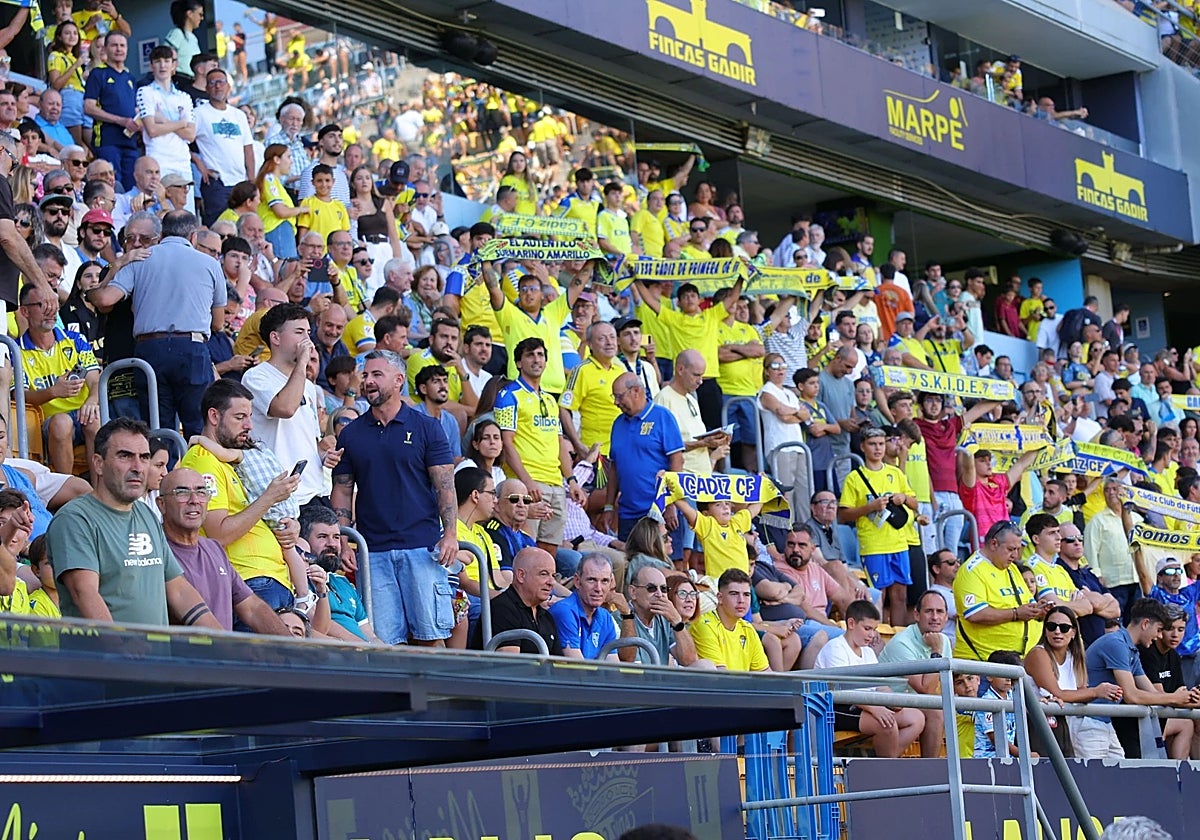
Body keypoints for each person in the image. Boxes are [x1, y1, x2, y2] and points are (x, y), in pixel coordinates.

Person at [331, 350, 459, 646]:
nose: (368, 381)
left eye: (377, 375)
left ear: (399, 380)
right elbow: (342, 489)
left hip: (422, 548)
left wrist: (450, 533)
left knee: (431, 639)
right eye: (365, 376)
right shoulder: (351, 434)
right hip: (372, 552)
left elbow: (445, 485)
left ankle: (432, 694)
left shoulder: (427, 427)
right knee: (386, 644)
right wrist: (344, 539)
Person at [46, 418, 221, 629]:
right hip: (103, 659)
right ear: (98, 464)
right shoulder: (75, 519)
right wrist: (122, 647)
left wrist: (223, 641)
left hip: (153, 658)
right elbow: (83, 593)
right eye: (125, 456)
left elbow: (179, 590)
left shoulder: (146, 514)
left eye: (144, 457)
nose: (138, 467)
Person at [89, 210, 226, 438]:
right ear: (193, 236)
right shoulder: (209, 264)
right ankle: (201, 473)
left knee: (158, 430)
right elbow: (219, 323)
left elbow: (103, 300)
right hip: (192, 348)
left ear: (162, 233)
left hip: (150, 349)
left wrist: (119, 265)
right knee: (198, 427)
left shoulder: (140, 258)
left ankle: (163, 474)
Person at [178, 379, 304, 618]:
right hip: (248, 584)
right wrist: (269, 498)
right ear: (214, 417)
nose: (249, 426)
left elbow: (258, 513)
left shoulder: (233, 459)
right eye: (239, 417)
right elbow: (218, 534)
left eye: (249, 417)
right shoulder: (203, 459)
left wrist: (291, 526)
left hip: (271, 581)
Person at [158, 467, 291, 635]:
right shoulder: (155, 549)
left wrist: (292, 645)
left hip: (223, 656)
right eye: (182, 492)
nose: (194, 500)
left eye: (201, 492)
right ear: (161, 504)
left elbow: (252, 607)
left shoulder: (213, 548)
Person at [493, 337, 587, 556]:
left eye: (540, 355)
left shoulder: (551, 400)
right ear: (518, 363)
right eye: (530, 355)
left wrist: (571, 480)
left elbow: (559, 443)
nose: (536, 359)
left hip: (555, 483)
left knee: (548, 551)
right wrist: (526, 482)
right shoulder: (508, 395)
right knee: (525, 549)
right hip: (528, 484)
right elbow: (506, 443)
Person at [1082, 599, 1200, 760]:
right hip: (1088, 722)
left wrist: (1189, 700)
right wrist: (1175, 697)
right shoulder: (1116, 644)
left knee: (1120, 781)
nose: (1159, 636)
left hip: (1105, 723)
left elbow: (1152, 694)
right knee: (1091, 782)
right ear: (1145, 624)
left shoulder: (1131, 650)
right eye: (1159, 630)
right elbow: (1132, 696)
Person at [241, 302, 330, 510]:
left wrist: (325, 455)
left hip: (315, 489)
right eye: (299, 332)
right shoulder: (256, 377)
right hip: (281, 494)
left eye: (308, 332)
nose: (307, 340)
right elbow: (285, 409)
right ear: (275, 338)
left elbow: (310, 440)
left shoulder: (307, 385)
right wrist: (302, 363)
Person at [815, 599, 926, 758]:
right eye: (867, 628)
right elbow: (846, 691)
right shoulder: (835, 648)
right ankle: (886, 772)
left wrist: (893, 701)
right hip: (835, 708)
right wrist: (876, 709)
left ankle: (883, 763)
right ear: (851, 623)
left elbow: (879, 685)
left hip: (863, 704)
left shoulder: (867, 651)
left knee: (916, 718)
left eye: (874, 629)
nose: (872, 635)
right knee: (887, 724)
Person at [18, 282, 102, 476]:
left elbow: (95, 380)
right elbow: (20, 396)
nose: (51, 310)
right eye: (42, 304)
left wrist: (91, 400)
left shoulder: (75, 340)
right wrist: (53, 392)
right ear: (24, 311)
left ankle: (100, 496)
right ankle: (67, 488)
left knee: (94, 419)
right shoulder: (16, 350)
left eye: (54, 304)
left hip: (83, 414)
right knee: (62, 422)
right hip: (46, 422)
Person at [838, 427, 918, 625]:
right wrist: (870, 507)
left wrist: (904, 498)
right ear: (862, 447)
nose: (878, 448)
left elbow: (916, 504)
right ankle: (877, 637)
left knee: (900, 595)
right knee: (878, 597)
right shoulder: (854, 478)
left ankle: (897, 638)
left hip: (899, 543)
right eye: (873, 444)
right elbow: (843, 515)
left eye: (881, 444)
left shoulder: (895, 473)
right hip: (873, 545)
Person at [605, 373, 685, 542]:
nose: (616, 402)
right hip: (628, 514)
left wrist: (671, 504)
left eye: (619, 397)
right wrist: (609, 506)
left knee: (666, 565)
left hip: (659, 511)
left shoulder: (663, 417)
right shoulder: (618, 423)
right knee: (632, 564)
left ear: (635, 391)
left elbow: (677, 462)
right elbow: (614, 468)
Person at [954, 521, 1049, 662]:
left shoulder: (1012, 569)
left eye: (1018, 549)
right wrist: (1016, 614)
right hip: (984, 663)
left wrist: (1039, 610)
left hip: (1019, 660)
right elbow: (975, 614)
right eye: (1011, 549)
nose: (1015, 555)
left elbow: (1027, 604)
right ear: (994, 544)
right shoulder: (972, 571)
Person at [879, 590, 954, 757]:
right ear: (917, 615)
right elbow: (925, 689)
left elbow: (942, 683)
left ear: (946, 617)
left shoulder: (944, 641)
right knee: (935, 711)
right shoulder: (902, 642)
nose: (935, 617)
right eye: (929, 611)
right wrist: (936, 652)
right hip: (886, 704)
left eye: (939, 612)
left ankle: (942, 771)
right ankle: (930, 771)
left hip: (914, 702)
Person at [300, 505, 382, 643]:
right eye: (322, 537)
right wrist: (365, 648)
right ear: (304, 541)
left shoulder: (342, 582)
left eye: (336, 537)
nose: (332, 544)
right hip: (338, 655)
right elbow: (318, 624)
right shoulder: (300, 580)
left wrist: (386, 652)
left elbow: (370, 635)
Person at [468, 546, 563, 654]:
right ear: (521, 575)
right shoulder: (502, 609)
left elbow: (559, 666)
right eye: (544, 574)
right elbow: (511, 665)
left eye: (553, 575)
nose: (551, 582)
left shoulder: (547, 617)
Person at [192, 67, 254, 226]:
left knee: (243, 229)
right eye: (212, 83)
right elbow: (181, 141)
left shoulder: (239, 115)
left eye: (221, 82)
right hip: (217, 183)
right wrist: (199, 164)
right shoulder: (199, 113)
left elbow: (248, 149)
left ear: (228, 86)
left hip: (240, 183)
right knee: (218, 229)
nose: (217, 86)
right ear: (206, 88)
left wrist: (252, 182)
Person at [1140, 603, 1200, 760]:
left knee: (1195, 720)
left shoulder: (1173, 655)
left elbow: (1181, 691)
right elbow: (1159, 696)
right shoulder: (1147, 651)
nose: (1175, 635)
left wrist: (1192, 698)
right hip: (1145, 718)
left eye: (1180, 630)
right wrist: (1184, 698)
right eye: (1170, 628)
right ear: (1159, 629)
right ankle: (1177, 773)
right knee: (1186, 723)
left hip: (1164, 714)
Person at [83, 31, 139, 187]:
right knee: (111, 185)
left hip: (130, 141)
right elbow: (88, 107)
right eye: (114, 45)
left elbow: (135, 109)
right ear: (105, 49)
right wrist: (121, 121)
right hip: (107, 141)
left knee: (131, 186)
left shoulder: (131, 79)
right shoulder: (98, 74)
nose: (119, 49)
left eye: (122, 45)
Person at [687, 569, 769, 672]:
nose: (741, 600)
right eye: (734, 594)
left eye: (746, 595)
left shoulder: (748, 629)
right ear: (720, 598)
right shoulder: (705, 626)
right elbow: (722, 679)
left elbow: (765, 674)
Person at [618, 563, 699, 666]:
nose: (659, 594)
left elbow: (690, 661)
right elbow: (629, 662)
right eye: (651, 588)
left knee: (704, 665)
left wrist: (677, 622)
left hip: (662, 680)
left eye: (664, 589)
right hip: (637, 680)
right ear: (633, 592)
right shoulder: (621, 617)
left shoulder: (665, 618)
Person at [1084, 478, 1140, 620]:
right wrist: (1096, 574)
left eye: (1115, 489)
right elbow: (1090, 550)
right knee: (1116, 621)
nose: (1111, 493)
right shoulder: (1097, 520)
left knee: (1136, 620)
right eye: (1107, 490)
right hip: (1113, 581)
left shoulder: (1137, 519)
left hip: (1137, 578)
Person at [549, 553, 620, 660]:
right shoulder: (564, 611)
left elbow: (613, 668)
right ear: (577, 581)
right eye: (591, 580)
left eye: (605, 581)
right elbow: (578, 668)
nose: (598, 588)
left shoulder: (605, 617)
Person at [1147, 556, 1200, 688]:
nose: (1176, 575)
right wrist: (1136, 552)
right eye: (1170, 572)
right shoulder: (1156, 595)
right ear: (1159, 577)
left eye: (1179, 571)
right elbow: (1143, 577)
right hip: (1170, 654)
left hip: (1195, 652)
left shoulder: (1188, 593)